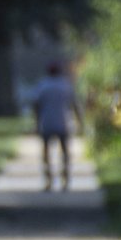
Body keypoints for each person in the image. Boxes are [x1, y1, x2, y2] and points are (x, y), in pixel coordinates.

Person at [31, 60, 76, 191]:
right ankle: (65, 178)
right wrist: (79, 121)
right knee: (65, 152)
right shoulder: (65, 85)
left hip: (46, 122)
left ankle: (48, 180)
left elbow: (36, 105)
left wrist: (36, 122)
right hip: (63, 122)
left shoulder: (42, 86)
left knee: (46, 153)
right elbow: (74, 105)